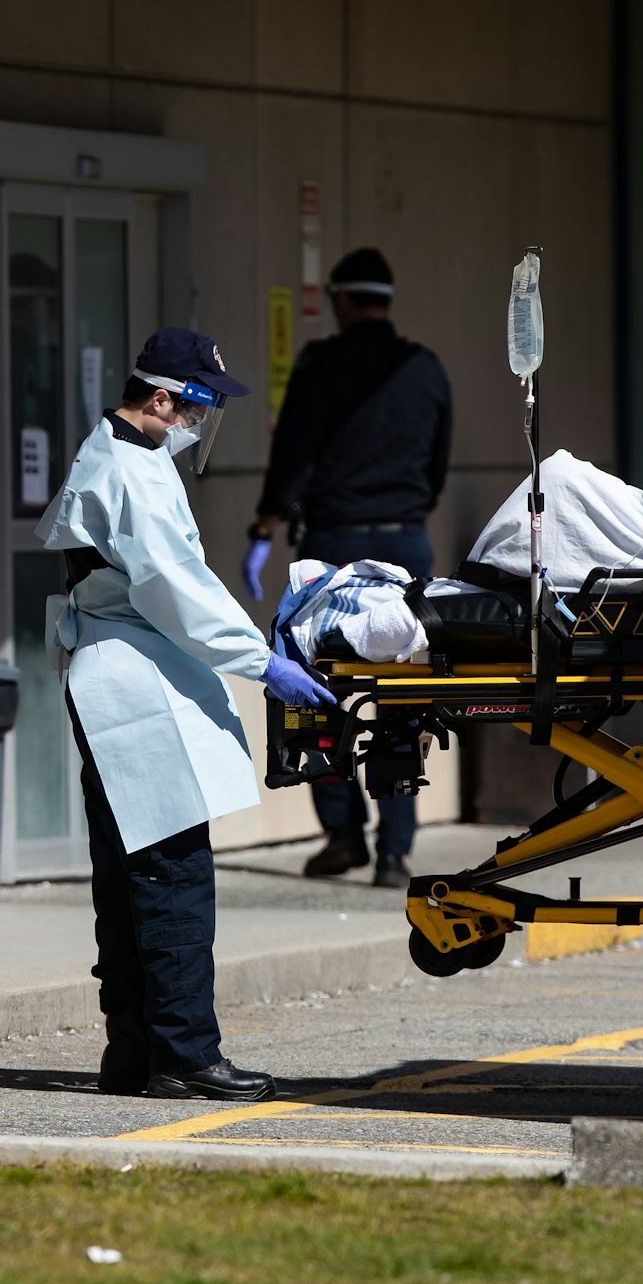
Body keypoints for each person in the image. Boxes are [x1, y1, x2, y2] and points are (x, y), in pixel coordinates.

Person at [36, 327, 334, 1102]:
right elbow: (181, 592)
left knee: (128, 879)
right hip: (132, 686)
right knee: (170, 878)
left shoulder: (114, 451)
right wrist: (263, 662)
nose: (199, 427)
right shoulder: (134, 472)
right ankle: (184, 1055)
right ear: (161, 399)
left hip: (118, 676)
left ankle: (133, 1054)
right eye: (196, 410)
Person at [244, 248, 453, 889]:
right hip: (405, 546)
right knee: (402, 692)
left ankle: (342, 836)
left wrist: (265, 525)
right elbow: (438, 466)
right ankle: (394, 851)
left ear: (341, 299)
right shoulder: (426, 370)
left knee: (318, 686)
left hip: (331, 550)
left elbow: (295, 451)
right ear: (385, 300)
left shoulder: (321, 365)